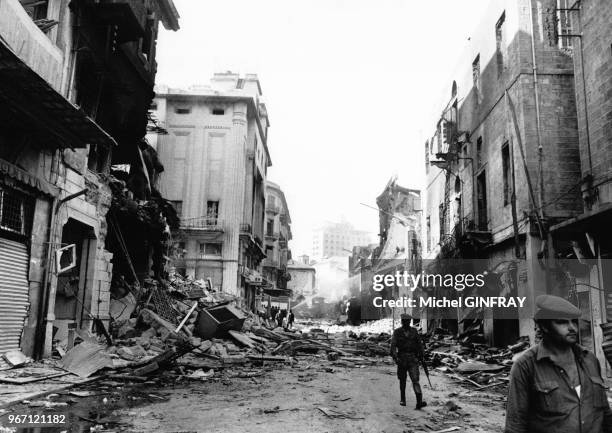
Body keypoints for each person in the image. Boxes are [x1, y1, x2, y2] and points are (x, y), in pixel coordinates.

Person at [505, 294, 612, 433]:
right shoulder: (526, 366)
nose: (572, 328)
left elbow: (605, 414)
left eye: (574, 321)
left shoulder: (589, 359)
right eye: (562, 322)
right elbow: (515, 425)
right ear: (545, 326)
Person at [390, 313, 426, 409]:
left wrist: (422, 355)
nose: (406, 323)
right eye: (404, 321)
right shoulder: (397, 332)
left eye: (408, 321)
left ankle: (419, 401)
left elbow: (419, 344)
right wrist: (395, 357)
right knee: (402, 380)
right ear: (402, 321)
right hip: (401, 358)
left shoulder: (414, 331)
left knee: (415, 380)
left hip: (412, 359)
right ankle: (403, 399)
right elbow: (393, 345)